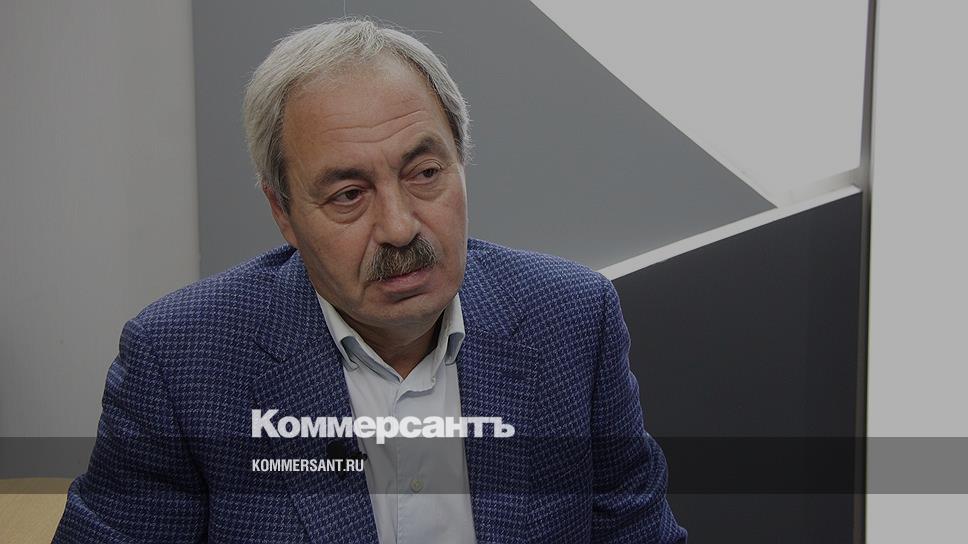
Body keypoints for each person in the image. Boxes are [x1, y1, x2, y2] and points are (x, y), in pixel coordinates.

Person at [53, 18, 687, 544]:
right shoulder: (181, 361)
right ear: (283, 212)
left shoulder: (571, 318)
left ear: (461, 164)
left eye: (425, 173)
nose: (400, 227)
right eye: (349, 194)